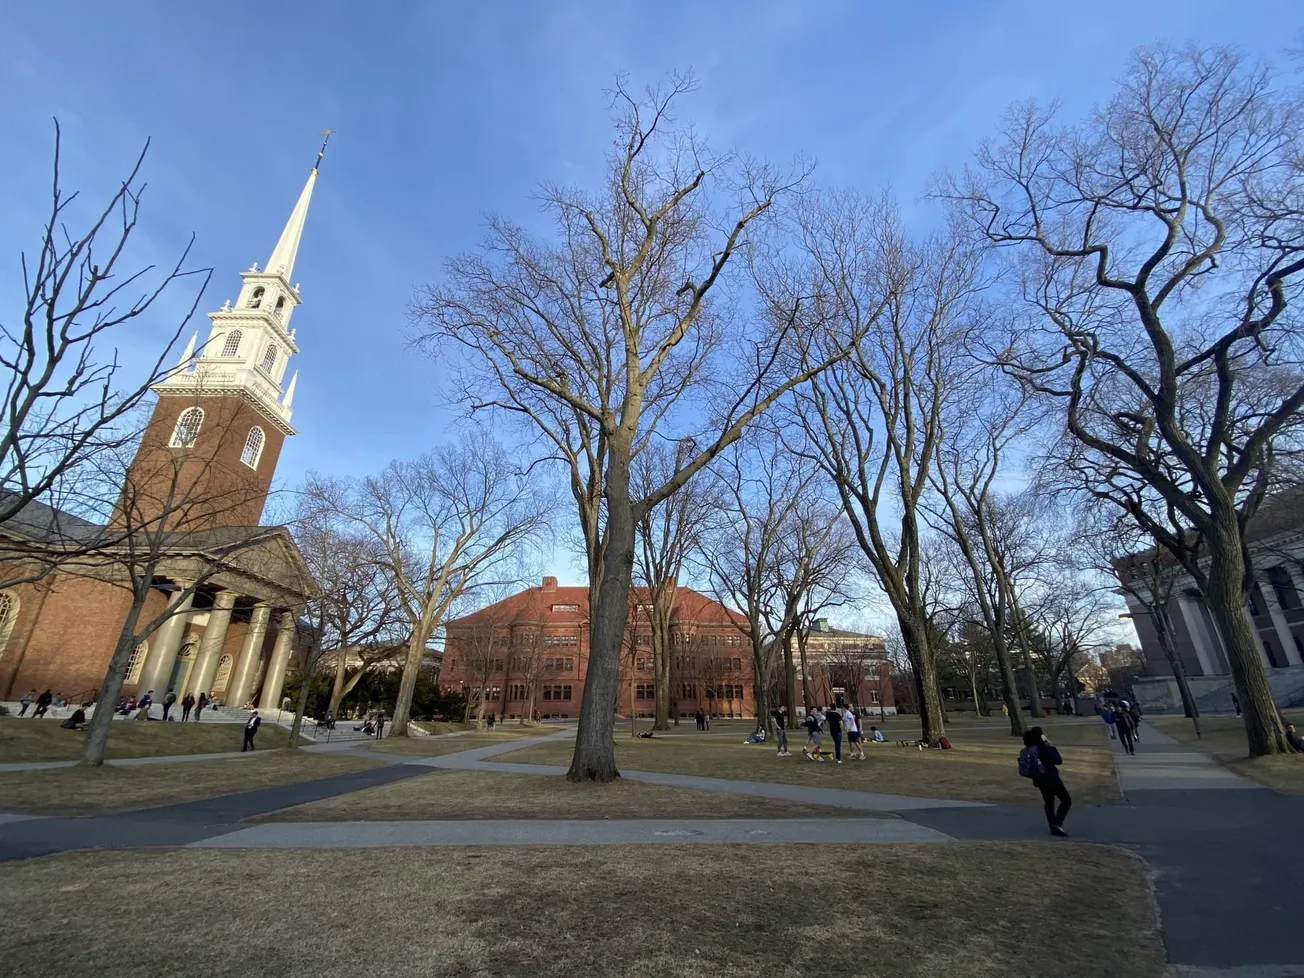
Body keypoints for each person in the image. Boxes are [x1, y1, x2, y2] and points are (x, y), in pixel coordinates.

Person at [1021, 726, 1071, 836]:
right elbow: (1058, 760)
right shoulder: (1044, 748)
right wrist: (1051, 746)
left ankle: (1052, 824)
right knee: (1066, 800)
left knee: (1049, 802)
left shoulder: (1029, 750)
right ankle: (1057, 823)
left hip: (1039, 779)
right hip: (1051, 778)